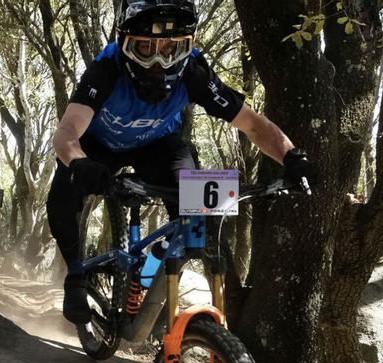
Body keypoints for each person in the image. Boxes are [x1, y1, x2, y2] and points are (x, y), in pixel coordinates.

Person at [47, 0, 312, 325]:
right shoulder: (106, 68)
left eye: (173, 49)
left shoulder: (194, 73)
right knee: (63, 194)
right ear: (124, 43)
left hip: (158, 146)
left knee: (195, 212)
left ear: (188, 47)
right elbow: (66, 133)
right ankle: (75, 276)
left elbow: (253, 125)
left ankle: (156, 276)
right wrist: (77, 162)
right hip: (99, 144)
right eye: (146, 48)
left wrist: (291, 155)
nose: (159, 61)